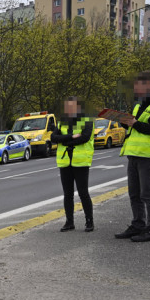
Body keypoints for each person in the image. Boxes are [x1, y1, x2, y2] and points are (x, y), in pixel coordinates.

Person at [115, 71, 150, 242]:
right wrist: (124, 122)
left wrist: (136, 124)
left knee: (148, 193)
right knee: (134, 194)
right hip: (133, 154)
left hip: (148, 155)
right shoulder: (141, 103)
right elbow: (133, 127)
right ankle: (138, 225)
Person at [50, 97, 95, 232]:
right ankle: (69, 222)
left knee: (83, 193)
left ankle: (89, 221)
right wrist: (70, 137)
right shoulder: (62, 122)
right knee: (67, 194)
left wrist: (64, 141)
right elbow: (53, 138)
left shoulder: (87, 120)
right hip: (65, 162)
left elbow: (84, 137)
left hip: (80, 161)